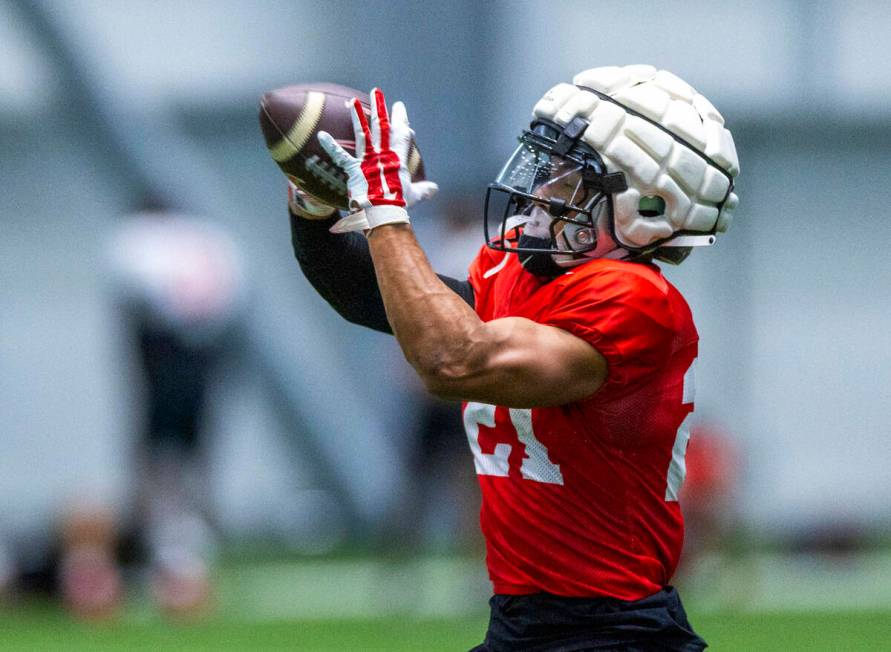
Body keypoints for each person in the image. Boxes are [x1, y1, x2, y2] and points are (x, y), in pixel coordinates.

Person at [278, 65, 739, 651]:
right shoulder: (517, 270)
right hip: (523, 625)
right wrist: (313, 206)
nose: (544, 189)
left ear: (645, 208)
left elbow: (452, 360)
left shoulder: (636, 302)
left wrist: (386, 213)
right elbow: (362, 291)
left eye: (571, 179)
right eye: (548, 165)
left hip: (615, 633)